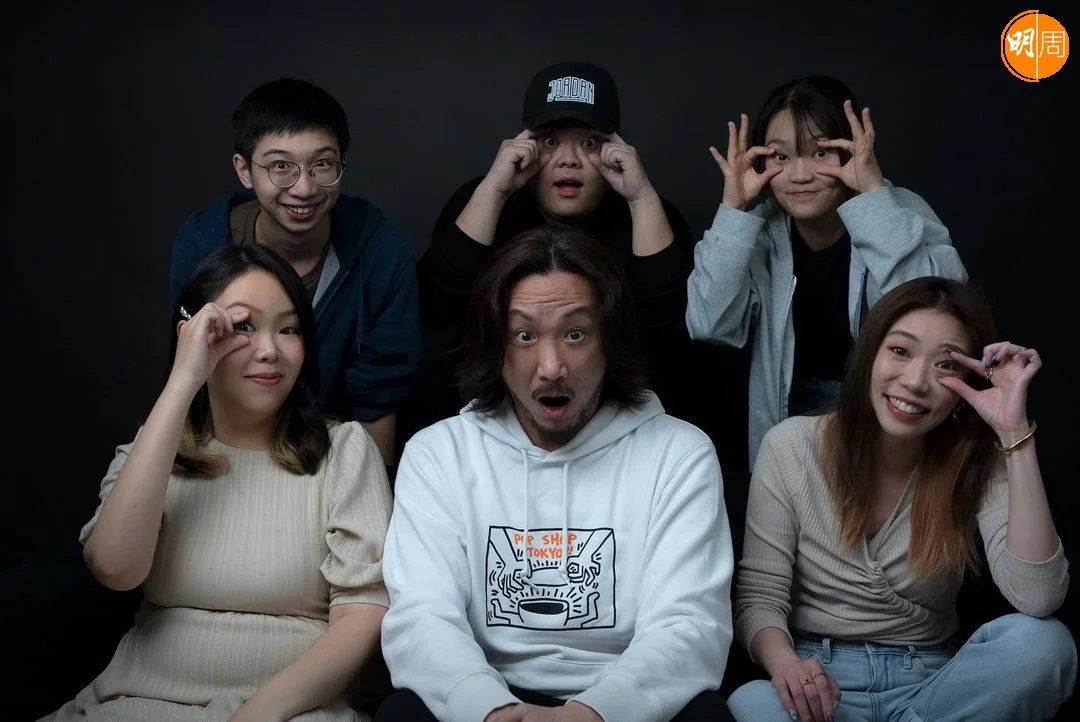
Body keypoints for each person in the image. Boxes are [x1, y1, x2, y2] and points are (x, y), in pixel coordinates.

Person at [378, 227, 735, 722]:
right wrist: (491, 709)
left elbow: (688, 625)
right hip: (488, 694)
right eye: (524, 336)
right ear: (496, 345)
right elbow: (422, 618)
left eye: (575, 334)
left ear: (609, 341)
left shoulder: (679, 453)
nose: (551, 368)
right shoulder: (439, 454)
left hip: (621, 698)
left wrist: (591, 713)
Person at [47, 245, 392, 721]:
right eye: (243, 326)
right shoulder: (157, 446)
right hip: (140, 702)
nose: (269, 350)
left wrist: (255, 715)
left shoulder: (344, 451)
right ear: (194, 335)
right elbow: (113, 568)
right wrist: (183, 381)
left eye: (289, 329)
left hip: (290, 711)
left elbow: (363, 614)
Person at [727, 276, 1074, 722]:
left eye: (945, 365)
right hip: (820, 684)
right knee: (752, 703)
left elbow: (1038, 597)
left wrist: (1012, 433)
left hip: (932, 688)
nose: (914, 381)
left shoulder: (976, 459)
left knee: (1043, 645)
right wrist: (787, 667)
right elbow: (759, 596)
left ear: (969, 380)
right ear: (870, 353)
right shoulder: (790, 445)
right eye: (899, 351)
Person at [686, 75, 968, 465]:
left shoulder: (897, 210)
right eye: (781, 157)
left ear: (850, 149)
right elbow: (708, 324)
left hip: (887, 410)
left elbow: (936, 317)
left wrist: (873, 198)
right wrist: (733, 211)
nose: (800, 175)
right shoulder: (760, 229)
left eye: (819, 153)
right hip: (787, 414)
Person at [414, 60, 703, 440]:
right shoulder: (484, 200)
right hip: (495, 422)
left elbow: (670, 337)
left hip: (622, 425)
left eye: (589, 143)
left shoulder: (649, 212)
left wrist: (642, 198)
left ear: (616, 148)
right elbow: (435, 308)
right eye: (550, 142)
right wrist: (494, 189)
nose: (569, 159)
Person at [170, 77, 421, 466]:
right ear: (244, 170)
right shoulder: (203, 245)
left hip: (334, 456)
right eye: (280, 166)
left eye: (322, 164)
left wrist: (371, 488)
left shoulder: (380, 252)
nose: (304, 188)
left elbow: (379, 395)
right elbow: (186, 369)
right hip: (221, 450)